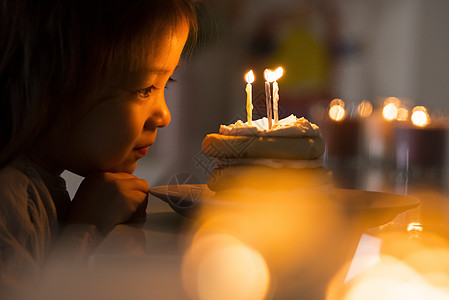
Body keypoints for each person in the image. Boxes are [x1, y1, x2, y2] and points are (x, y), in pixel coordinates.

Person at [0, 0, 197, 298]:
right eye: (145, 89)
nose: (164, 116)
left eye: (165, 83)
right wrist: (87, 227)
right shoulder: (10, 199)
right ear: (53, 85)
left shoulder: (37, 184)